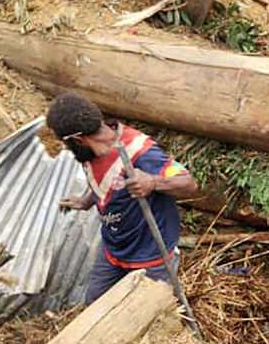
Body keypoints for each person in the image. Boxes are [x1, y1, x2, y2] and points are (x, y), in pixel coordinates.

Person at [46, 92, 199, 303]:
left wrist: (153, 183)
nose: (66, 149)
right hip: (113, 249)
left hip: (151, 254)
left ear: (77, 139)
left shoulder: (140, 152)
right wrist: (86, 201)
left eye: (66, 144)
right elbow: (105, 180)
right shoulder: (89, 152)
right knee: (95, 304)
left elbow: (189, 184)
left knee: (146, 313)